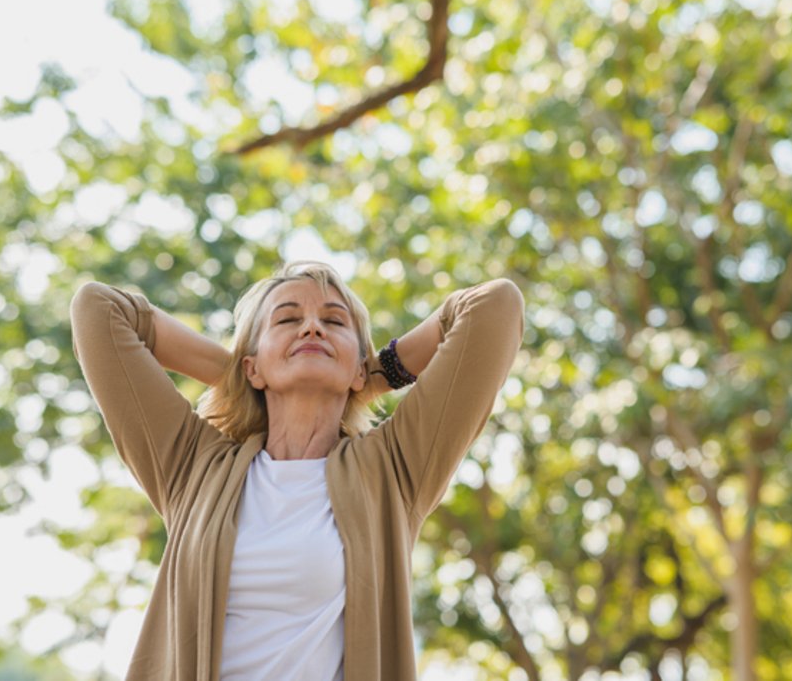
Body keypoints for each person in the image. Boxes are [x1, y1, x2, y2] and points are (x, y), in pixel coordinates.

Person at [69, 260, 525, 680]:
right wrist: (242, 376)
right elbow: (99, 310)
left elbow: (494, 307)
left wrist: (370, 375)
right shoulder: (193, 465)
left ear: (358, 370)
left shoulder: (393, 468)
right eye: (287, 320)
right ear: (252, 366)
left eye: (333, 321)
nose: (311, 326)